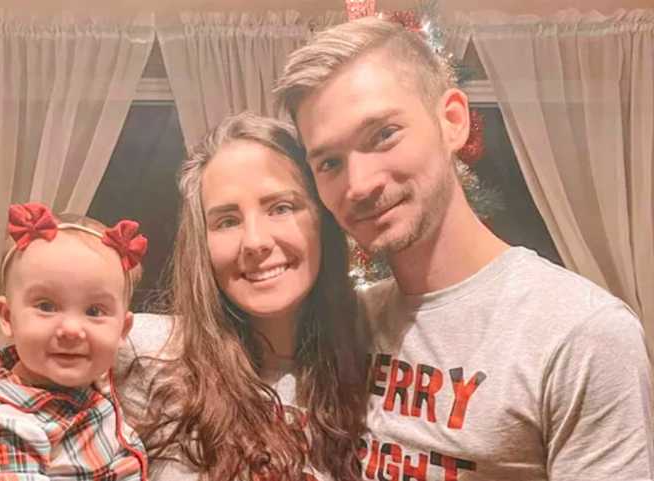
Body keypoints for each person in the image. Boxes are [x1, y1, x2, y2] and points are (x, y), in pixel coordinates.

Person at [274, 16, 654, 481]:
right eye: (330, 162)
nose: (359, 184)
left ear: (452, 121)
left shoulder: (581, 334)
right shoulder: (350, 321)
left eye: (383, 135)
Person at [116, 112, 368, 481]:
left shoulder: (376, 352)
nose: (255, 242)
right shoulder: (141, 350)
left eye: (281, 208)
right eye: (227, 221)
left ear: (323, 220)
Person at [0, 203, 149, 481]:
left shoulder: (96, 380)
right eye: (47, 306)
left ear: (122, 329)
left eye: (94, 311)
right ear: (7, 317)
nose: (72, 329)